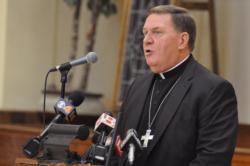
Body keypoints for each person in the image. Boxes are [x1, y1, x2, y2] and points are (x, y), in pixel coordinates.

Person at [114, 5, 238, 166]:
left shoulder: (214, 90)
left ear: (182, 40)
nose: (147, 40)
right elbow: (117, 149)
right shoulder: (137, 86)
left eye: (157, 32)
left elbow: (213, 160)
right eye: (145, 32)